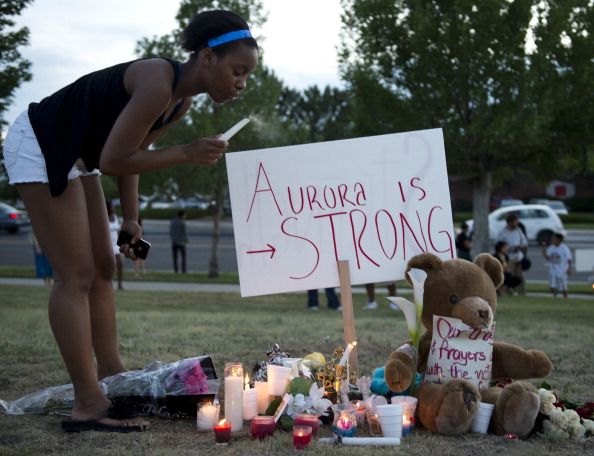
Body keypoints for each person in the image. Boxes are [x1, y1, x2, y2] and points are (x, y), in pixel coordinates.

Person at [2, 10, 258, 432]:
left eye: (246, 75)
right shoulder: (157, 78)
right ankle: (88, 403)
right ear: (208, 58)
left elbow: (130, 156)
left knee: (105, 266)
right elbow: (114, 158)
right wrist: (187, 152)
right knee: (75, 275)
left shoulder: (179, 102)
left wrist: (133, 220)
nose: (242, 83)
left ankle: (112, 376)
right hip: (41, 142)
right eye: (238, 70)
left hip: (79, 156)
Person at [495, 213, 527, 295]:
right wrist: (509, 248)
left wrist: (522, 246)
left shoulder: (518, 231)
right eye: (515, 222)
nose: (517, 224)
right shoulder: (503, 233)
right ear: (509, 222)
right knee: (509, 276)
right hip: (509, 258)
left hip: (518, 257)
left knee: (520, 277)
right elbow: (499, 245)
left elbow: (524, 242)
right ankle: (508, 292)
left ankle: (522, 293)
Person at [541, 233, 573, 298]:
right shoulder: (551, 247)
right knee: (552, 286)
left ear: (558, 240)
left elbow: (569, 259)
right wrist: (544, 249)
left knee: (563, 286)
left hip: (562, 270)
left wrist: (569, 268)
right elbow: (548, 257)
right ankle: (555, 297)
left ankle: (565, 297)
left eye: (554, 238)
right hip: (553, 270)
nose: (552, 239)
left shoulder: (564, 248)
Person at [106, 199, 124, 290]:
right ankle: (108, 284)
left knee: (120, 264)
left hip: (116, 245)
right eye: (112, 206)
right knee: (109, 266)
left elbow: (118, 228)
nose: (114, 208)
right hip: (106, 245)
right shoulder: (103, 216)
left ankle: (120, 284)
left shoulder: (115, 217)